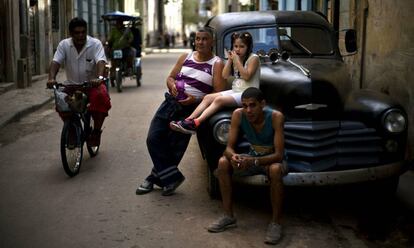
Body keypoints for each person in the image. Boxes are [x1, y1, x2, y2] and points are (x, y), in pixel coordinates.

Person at [135, 28, 226, 196]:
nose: (200, 42)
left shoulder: (217, 63)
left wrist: (196, 100)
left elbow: (218, 93)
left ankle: (152, 179)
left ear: (212, 42)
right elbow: (170, 78)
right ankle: (171, 178)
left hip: (191, 110)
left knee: (175, 147)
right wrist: (173, 87)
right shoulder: (186, 57)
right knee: (153, 138)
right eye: (197, 39)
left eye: (204, 39)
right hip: (170, 103)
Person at [207, 87, 286, 245]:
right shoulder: (238, 114)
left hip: (271, 160)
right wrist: (234, 157)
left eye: (252, 105)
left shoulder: (276, 117)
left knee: (276, 170)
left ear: (262, 104)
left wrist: (253, 161)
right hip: (252, 157)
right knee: (223, 162)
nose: (248, 110)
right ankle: (228, 216)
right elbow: (228, 148)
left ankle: (276, 223)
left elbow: (279, 155)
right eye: (244, 105)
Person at [170, 31, 260, 135]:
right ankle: (188, 121)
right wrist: (230, 61)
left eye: (242, 46)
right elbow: (225, 75)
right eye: (235, 46)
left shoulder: (254, 58)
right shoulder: (237, 58)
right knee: (207, 97)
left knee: (219, 100)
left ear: (248, 47)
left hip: (249, 93)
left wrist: (237, 61)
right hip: (236, 91)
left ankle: (196, 122)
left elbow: (247, 76)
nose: (238, 49)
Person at [47, 17, 111, 147]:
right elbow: (56, 62)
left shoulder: (95, 44)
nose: (81, 35)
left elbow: (101, 61)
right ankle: (71, 130)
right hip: (71, 85)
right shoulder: (64, 45)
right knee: (61, 100)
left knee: (101, 97)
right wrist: (51, 78)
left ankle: (97, 132)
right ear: (71, 33)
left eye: (83, 32)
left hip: (92, 85)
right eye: (77, 33)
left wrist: (99, 78)